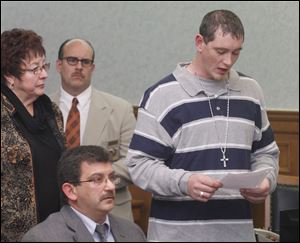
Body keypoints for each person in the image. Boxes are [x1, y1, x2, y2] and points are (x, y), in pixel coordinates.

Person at [125, 9, 280, 242]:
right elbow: (139, 165)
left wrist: (266, 180)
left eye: (236, 53)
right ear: (200, 42)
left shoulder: (251, 91)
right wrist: (184, 182)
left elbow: (266, 154)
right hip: (176, 235)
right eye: (220, 51)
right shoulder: (162, 95)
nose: (228, 61)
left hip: (237, 234)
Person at [50, 38, 136, 221]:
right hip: (55, 211)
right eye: (72, 60)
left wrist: (95, 182)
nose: (79, 66)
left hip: (111, 215)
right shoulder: (41, 109)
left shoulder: (120, 109)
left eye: (85, 62)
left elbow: (133, 163)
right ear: (59, 65)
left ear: (92, 68)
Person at [1, 28, 66, 242]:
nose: (45, 74)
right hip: (13, 234)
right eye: (34, 69)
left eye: (44, 65)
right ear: (10, 77)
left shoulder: (51, 111)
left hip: (57, 229)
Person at [21, 145, 146, 242]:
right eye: (97, 179)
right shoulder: (43, 238)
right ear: (71, 191)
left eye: (112, 178)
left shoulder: (132, 232)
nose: (111, 186)